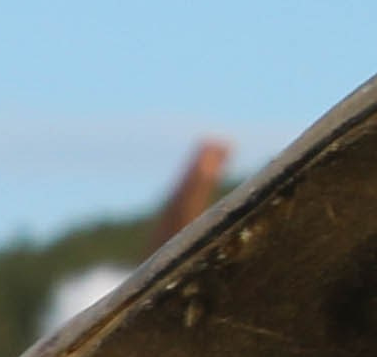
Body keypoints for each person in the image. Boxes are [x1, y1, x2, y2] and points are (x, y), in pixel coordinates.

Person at [37, 137, 232, 338]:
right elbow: (164, 267)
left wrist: (196, 183)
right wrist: (196, 183)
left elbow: (164, 263)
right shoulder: (92, 294)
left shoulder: (93, 293)